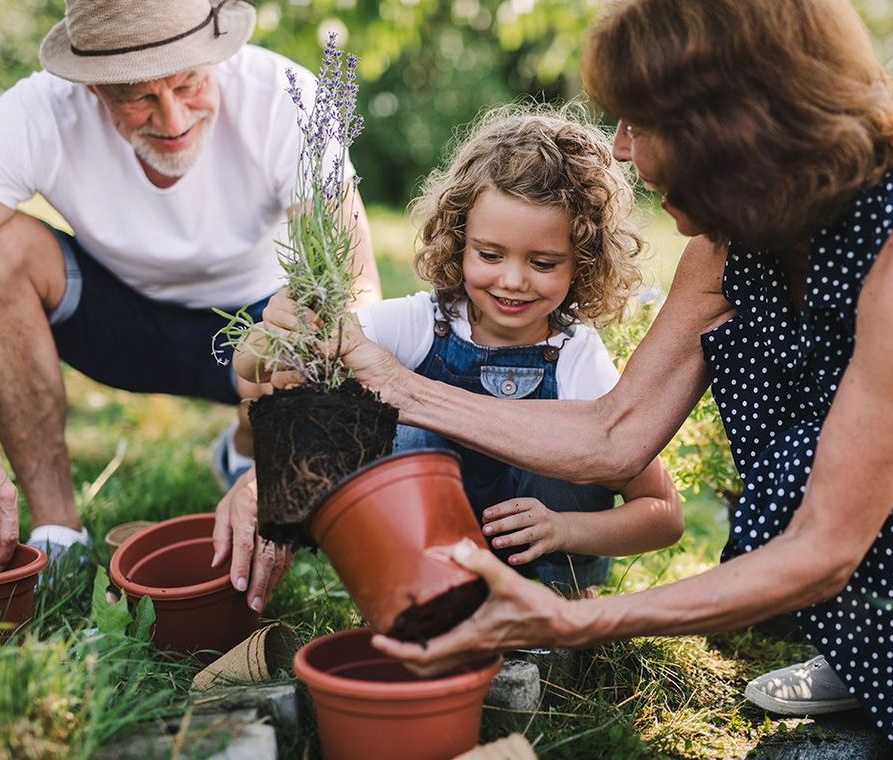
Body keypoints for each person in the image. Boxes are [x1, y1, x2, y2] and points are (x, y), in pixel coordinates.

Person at [289, 1, 893, 758]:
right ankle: (881, 667)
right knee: (809, 471)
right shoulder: (740, 232)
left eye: (641, 123)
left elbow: (824, 546)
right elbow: (615, 433)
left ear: (732, 128)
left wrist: (575, 622)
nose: (621, 151)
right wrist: (393, 390)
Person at [0, 0, 380, 574]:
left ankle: (243, 449)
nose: (173, 121)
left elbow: (359, 293)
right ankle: (58, 535)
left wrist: (275, 463)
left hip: (255, 329)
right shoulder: (38, 111)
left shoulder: (282, 96)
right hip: (116, 321)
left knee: (314, 324)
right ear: (92, 87)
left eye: (189, 83)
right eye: (139, 97)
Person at [226, 107, 684, 600]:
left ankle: (561, 599)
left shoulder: (577, 358)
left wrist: (566, 529)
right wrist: (272, 333)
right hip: (425, 572)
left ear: (583, 262)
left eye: (543, 262)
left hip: (540, 578)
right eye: (489, 255)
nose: (512, 280)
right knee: (400, 427)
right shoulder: (421, 324)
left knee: (575, 446)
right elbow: (256, 369)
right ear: (459, 241)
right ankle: (413, 591)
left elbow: (663, 514)